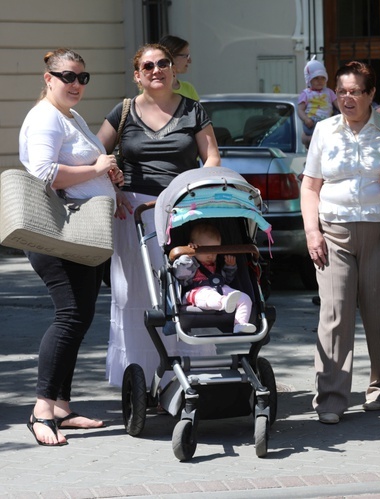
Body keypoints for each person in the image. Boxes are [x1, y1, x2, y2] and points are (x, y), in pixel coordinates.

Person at [300, 61, 380, 424]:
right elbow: (310, 186)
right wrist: (312, 232)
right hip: (332, 230)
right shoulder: (324, 129)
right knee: (334, 314)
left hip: (378, 229)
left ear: (371, 94)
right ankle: (332, 398)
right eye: (342, 91)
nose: (347, 99)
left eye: (355, 92)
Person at [97, 43, 221, 388]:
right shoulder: (123, 111)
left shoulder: (193, 110)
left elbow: (211, 158)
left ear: (174, 69)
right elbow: (95, 154)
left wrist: (193, 190)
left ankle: (187, 375)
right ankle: (139, 378)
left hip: (180, 212)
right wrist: (114, 184)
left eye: (163, 63)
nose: (157, 70)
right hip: (134, 214)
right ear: (138, 76)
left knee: (182, 291)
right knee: (136, 294)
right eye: (148, 66)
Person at [19, 48, 123, 445]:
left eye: (82, 77)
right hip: (60, 232)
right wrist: (97, 169)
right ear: (48, 78)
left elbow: (89, 164)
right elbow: (46, 174)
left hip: (84, 232)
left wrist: (110, 179)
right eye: (67, 76)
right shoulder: (45, 118)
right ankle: (41, 409)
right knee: (69, 316)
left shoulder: (71, 117)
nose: (76, 84)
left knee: (79, 318)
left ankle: (61, 406)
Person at [172, 223, 255, 334]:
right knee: (209, 296)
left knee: (244, 298)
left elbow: (227, 280)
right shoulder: (191, 263)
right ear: (193, 247)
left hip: (220, 289)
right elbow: (180, 274)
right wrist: (187, 255)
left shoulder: (217, 265)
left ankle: (240, 324)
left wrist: (230, 267)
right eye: (206, 251)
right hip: (197, 292)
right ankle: (225, 302)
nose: (211, 255)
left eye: (215, 251)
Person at [297, 59, 338, 147]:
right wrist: (306, 119)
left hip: (327, 122)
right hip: (312, 122)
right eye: (316, 78)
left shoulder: (329, 92)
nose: (320, 81)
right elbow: (300, 109)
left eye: (322, 78)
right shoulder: (306, 93)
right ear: (309, 79)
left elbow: (338, 104)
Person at [158, 35, 199, 101]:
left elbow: (197, 111)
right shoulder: (151, 90)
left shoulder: (188, 88)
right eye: (186, 56)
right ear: (171, 57)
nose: (190, 61)